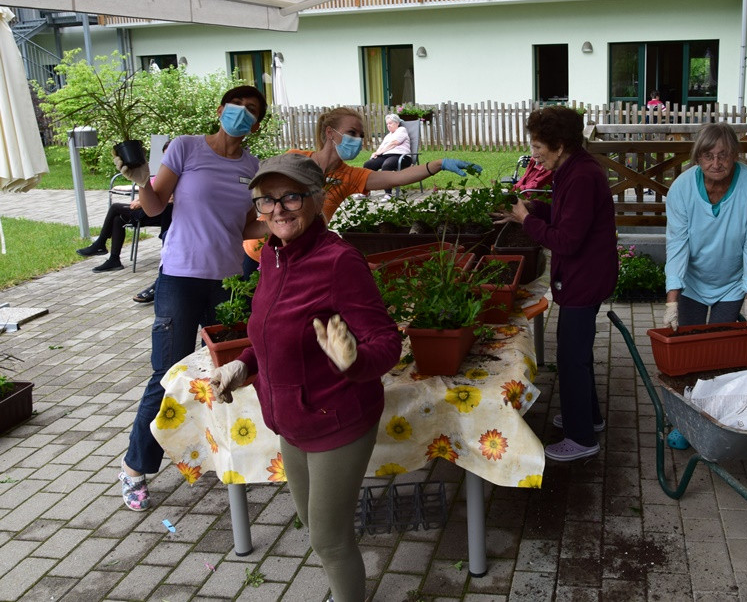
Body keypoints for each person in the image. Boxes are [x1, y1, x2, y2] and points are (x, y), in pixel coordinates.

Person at [210, 153, 402, 602]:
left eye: (291, 197)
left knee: (329, 541)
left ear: (316, 199)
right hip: (290, 420)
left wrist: (352, 360)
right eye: (266, 200)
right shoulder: (271, 257)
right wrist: (243, 365)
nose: (278, 209)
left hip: (337, 420)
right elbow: (269, 332)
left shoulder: (338, 261)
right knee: (313, 525)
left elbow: (387, 343)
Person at [113, 86, 269, 511]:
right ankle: (134, 467)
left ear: (257, 124)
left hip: (228, 282)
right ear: (221, 110)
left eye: (251, 111)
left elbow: (246, 226)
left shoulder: (252, 167)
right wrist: (142, 180)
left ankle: (218, 455)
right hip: (180, 279)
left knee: (225, 374)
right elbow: (154, 205)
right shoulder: (186, 148)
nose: (242, 114)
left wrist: (281, 223)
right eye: (236, 106)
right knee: (166, 375)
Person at [493, 105, 617, 462]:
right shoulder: (572, 168)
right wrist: (532, 209)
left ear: (559, 145)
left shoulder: (580, 176)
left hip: (584, 278)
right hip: (585, 276)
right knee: (577, 353)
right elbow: (564, 214)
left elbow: (566, 240)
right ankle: (587, 418)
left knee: (570, 356)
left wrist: (524, 220)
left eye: (537, 147)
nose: (534, 154)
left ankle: (580, 439)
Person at [240, 107, 482, 275]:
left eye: (361, 135)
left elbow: (397, 177)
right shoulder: (294, 158)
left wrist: (437, 164)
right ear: (329, 133)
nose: (358, 139)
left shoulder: (350, 176)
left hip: (296, 256)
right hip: (257, 251)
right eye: (352, 133)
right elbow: (261, 196)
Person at [662, 123, 747, 328]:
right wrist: (671, 302)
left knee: (718, 345)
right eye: (708, 156)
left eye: (724, 155)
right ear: (698, 157)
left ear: (735, 155)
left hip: (732, 283)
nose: (716, 163)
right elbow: (677, 244)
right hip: (692, 282)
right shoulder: (682, 188)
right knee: (690, 344)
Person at [77, 198, 173, 272]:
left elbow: (168, 197)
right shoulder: (161, 174)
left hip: (161, 212)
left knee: (115, 207)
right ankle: (114, 260)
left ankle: (100, 244)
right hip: (149, 208)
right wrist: (138, 200)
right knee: (118, 219)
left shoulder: (171, 174)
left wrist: (141, 203)